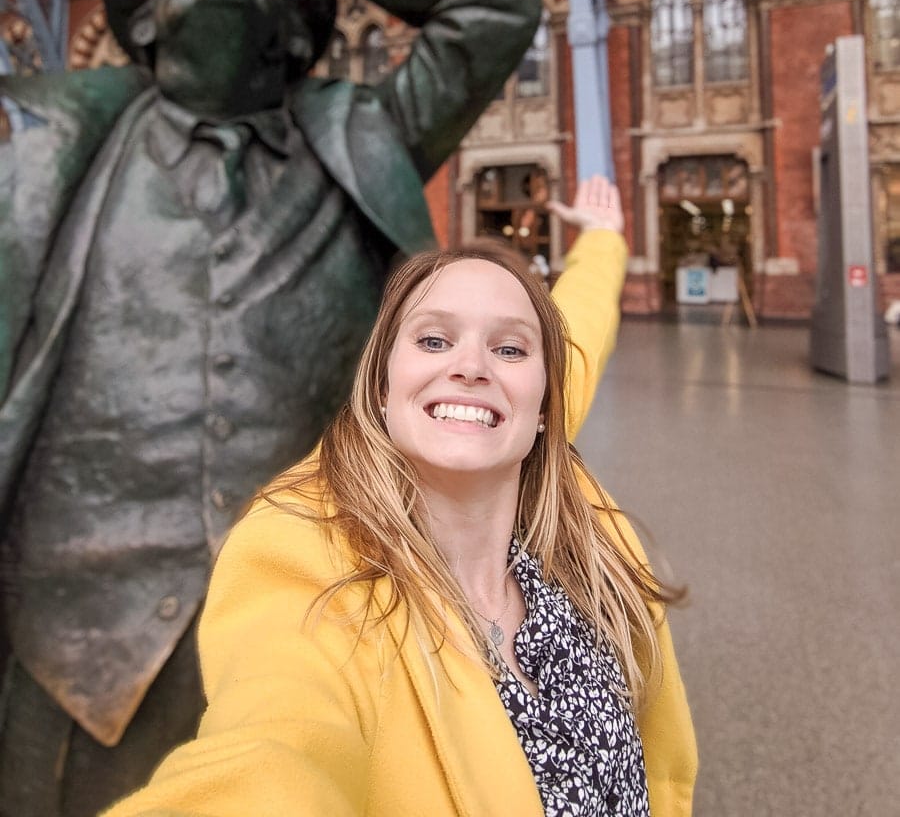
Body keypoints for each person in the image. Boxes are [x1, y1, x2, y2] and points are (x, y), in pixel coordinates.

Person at [0, 0, 542, 816]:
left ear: (298, 35)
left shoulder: (364, 136)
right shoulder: (48, 144)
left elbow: (496, 6)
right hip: (71, 622)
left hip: (305, 606)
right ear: (144, 27)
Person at [103, 177, 697, 817]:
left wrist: (604, 239)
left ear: (547, 400)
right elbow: (274, 743)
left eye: (510, 348)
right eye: (434, 340)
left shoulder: (559, 495)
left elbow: (581, 314)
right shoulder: (305, 546)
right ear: (383, 383)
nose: (471, 367)